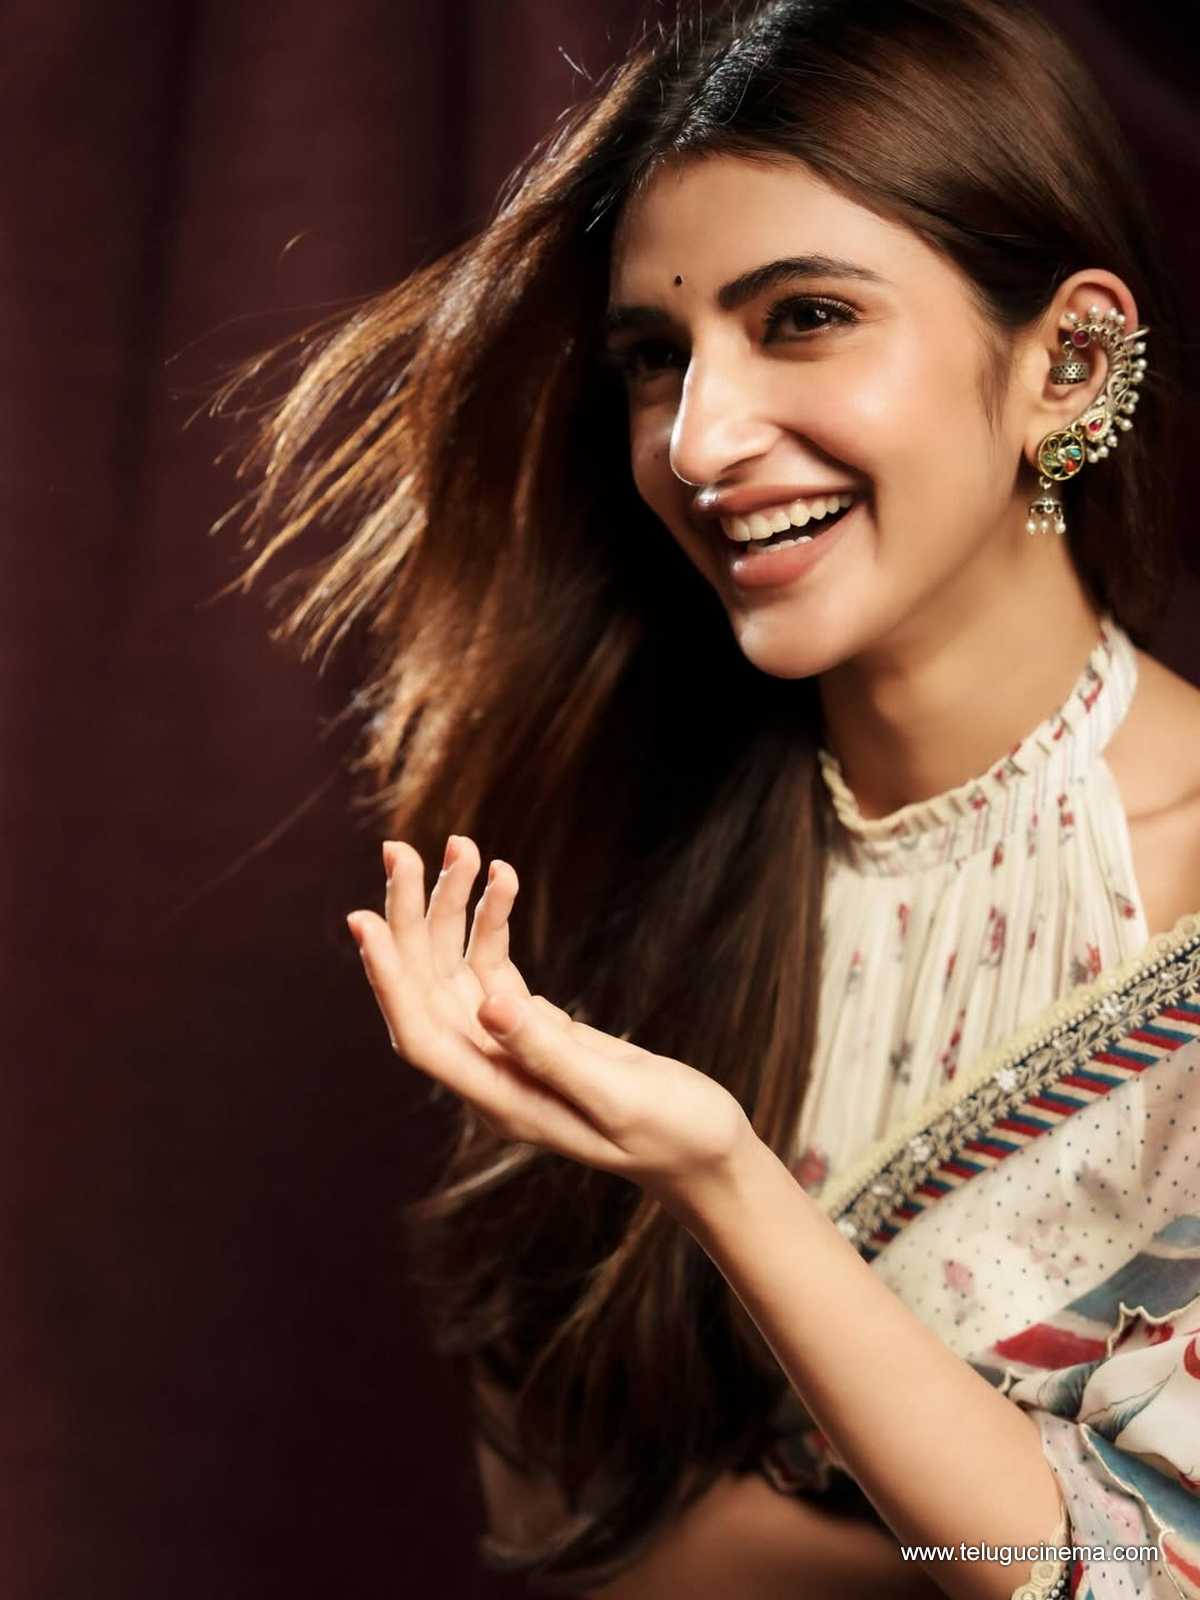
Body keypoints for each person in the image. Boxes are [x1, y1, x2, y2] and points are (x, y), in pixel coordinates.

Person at [224, 0, 1200, 1595]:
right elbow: (556, 1512)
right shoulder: (624, 843)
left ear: (1069, 364)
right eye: (653, 359)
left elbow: (1143, 1577)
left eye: (805, 317)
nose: (698, 440)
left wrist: (723, 1179)